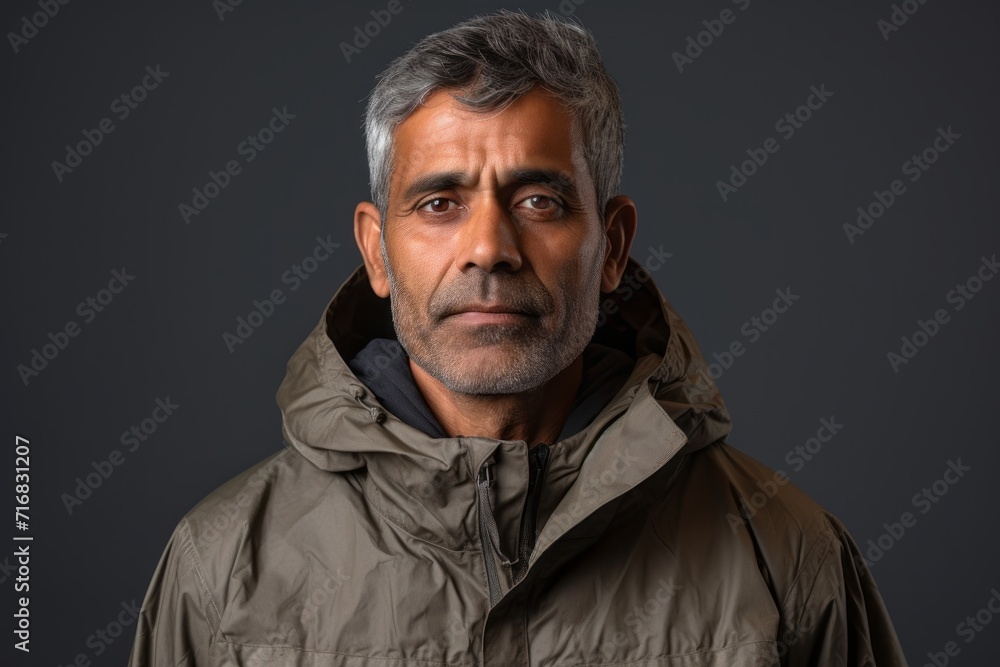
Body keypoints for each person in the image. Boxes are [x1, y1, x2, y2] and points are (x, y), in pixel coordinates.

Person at [128, 10, 907, 666]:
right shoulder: (222, 569)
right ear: (376, 251)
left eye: (538, 199)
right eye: (439, 202)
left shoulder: (790, 559)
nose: (489, 247)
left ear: (614, 245)